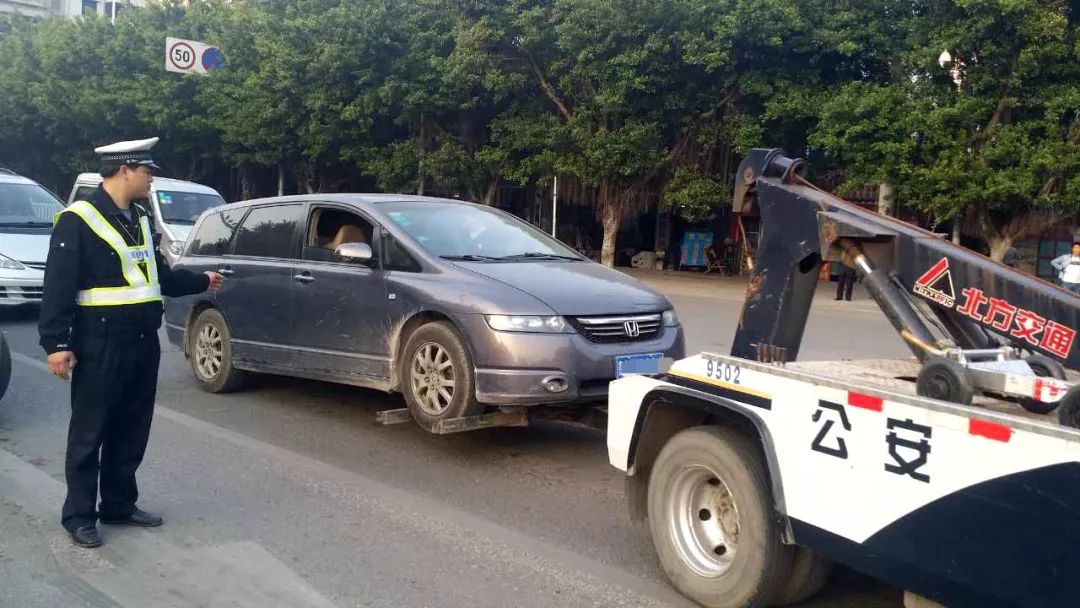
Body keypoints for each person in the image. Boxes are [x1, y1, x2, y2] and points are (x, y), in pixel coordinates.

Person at [38, 137, 224, 548]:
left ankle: (119, 504)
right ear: (124, 170)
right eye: (147, 171)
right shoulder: (78, 219)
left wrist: (202, 280)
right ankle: (79, 515)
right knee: (90, 432)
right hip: (98, 341)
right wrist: (55, 343)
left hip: (142, 340)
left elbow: (158, 276)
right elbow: (58, 287)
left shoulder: (138, 216)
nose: (151, 178)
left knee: (131, 427)